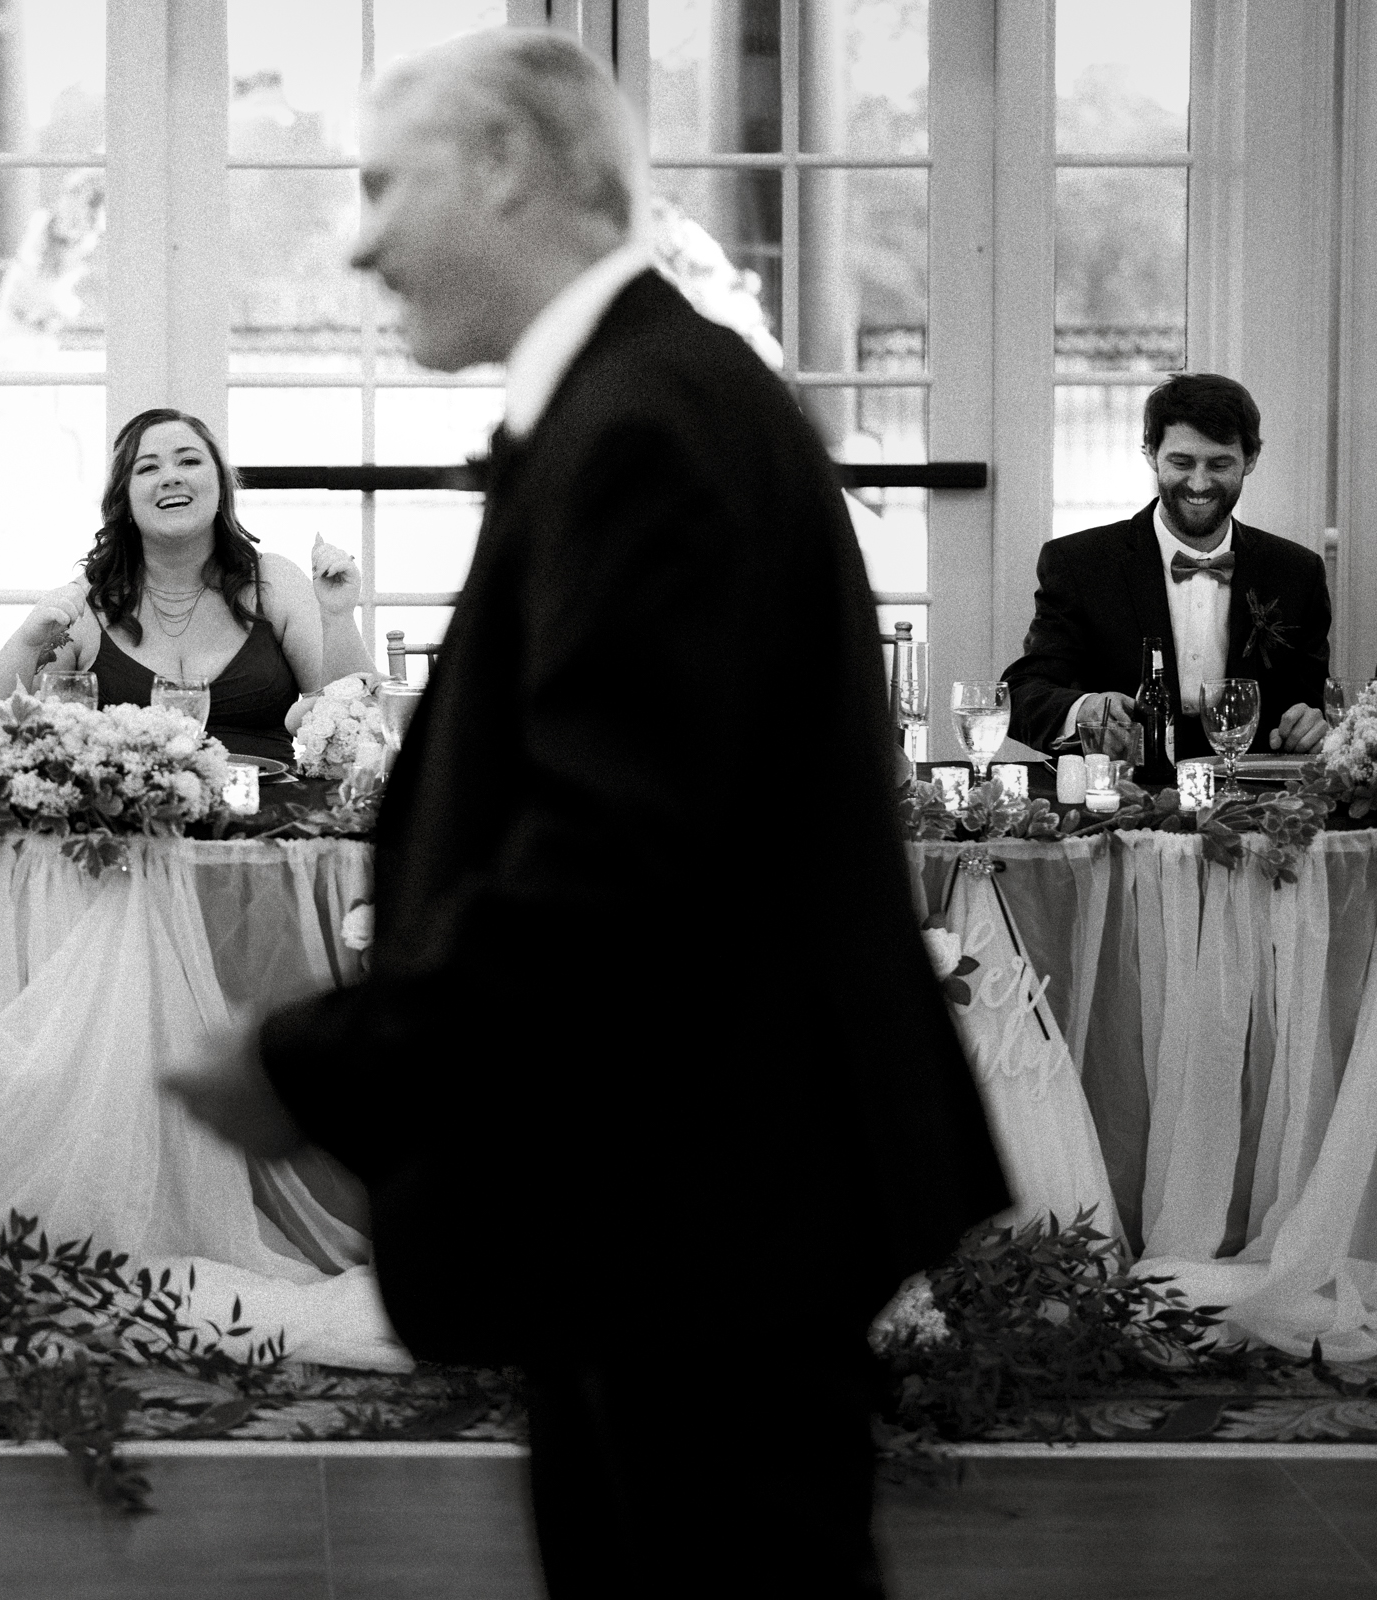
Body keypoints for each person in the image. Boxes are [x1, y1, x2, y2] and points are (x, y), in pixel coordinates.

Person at [162, 31, 1005, 1598]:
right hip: (671, 1179)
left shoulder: (646, 424)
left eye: (377, 186)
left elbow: (612, 866)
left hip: (702, 1192)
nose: (355, 241)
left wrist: (314, 1065)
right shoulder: (649, 393)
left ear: (500, 166)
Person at [0, 406, 373, 761]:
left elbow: (362, 722)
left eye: (189, 462)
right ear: (124, 501)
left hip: (271, 822)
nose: (171, 477)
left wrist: (337, 617)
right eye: (148, 468)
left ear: (220, 486)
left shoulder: (275, 582)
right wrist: (27, 642)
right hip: (132, 832)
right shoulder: (85, 603)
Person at [1005, 372, 1332, 760]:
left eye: (1219, 464)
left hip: (1251, 793)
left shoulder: (1298, 571)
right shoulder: (1079, 563)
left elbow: (1314, 704)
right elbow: (1023, 692)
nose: (1198, 483)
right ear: (1150, 453)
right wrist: (1084, 712)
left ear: (1251, 459)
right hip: (1120, 794)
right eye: (1181, 461)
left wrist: (1312, 724)